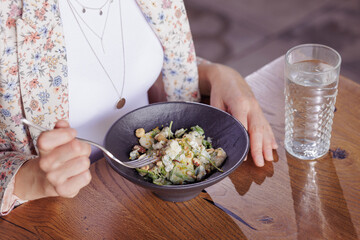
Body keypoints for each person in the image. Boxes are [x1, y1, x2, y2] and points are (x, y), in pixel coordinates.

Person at [0, 0, 277, 215]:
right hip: (54, 218)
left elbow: (144, 69)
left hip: (150, 203)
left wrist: (215, 74)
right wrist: (32, 179)